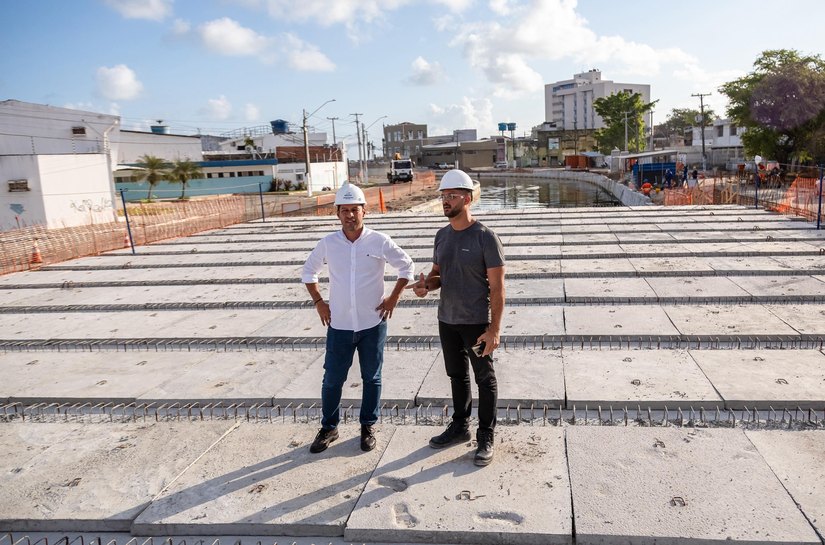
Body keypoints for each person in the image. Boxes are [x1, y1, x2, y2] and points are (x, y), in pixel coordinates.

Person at [303, 183, 414, 454]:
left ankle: (368, 426)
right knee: (332, 379)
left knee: (371, 378)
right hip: (339, 324)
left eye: (355, 210)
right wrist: (319, 302)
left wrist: (393, 297)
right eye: (345, 211)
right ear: (337, 214)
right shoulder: (328, 244)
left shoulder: (379, 241)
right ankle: (329, 427)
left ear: (364, 211)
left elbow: (406, 266)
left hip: (372, 324)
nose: (350, 215)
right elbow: (309, 272)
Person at [409, 169, 505, 467]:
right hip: (447, 320)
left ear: (467, 198)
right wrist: (427, 285)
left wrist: (494, 329)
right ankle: (460, 427)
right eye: (442, 196)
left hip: (476, 322)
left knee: (484, 379)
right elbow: (439, 276)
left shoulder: (485, 237)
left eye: (450, 196)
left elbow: (498, 287)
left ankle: (486, 434)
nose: (445, 201)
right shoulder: (441, 235)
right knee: (456, 375)